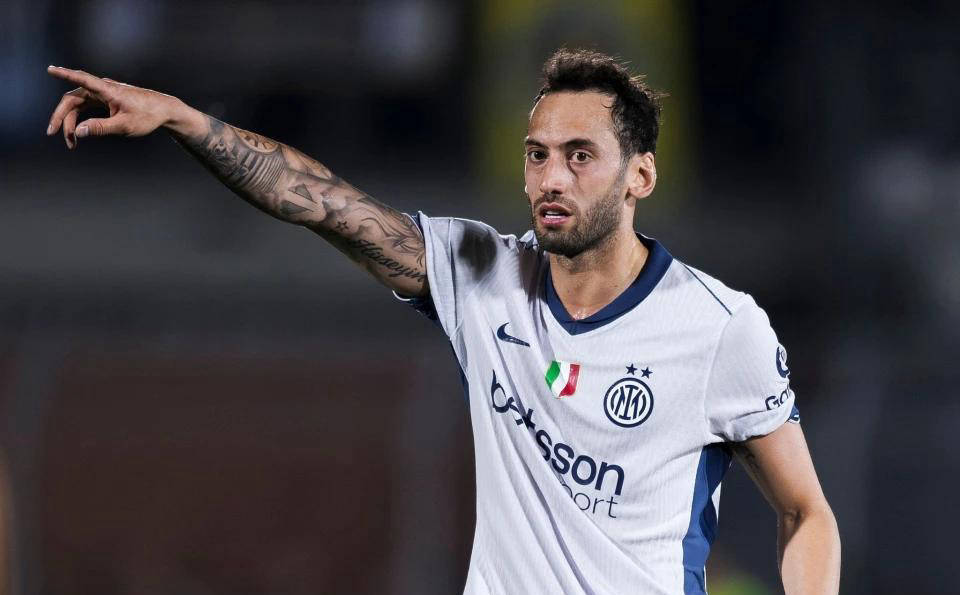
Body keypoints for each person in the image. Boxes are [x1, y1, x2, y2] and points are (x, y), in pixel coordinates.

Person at [46, 48, 840, 594]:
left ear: (640, 176)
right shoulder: (483, 275)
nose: (551, 177)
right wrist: (184, 120)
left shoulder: (718, 327)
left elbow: (806, 512)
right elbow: (322, 201)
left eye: (579, 155)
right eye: (536, 154)